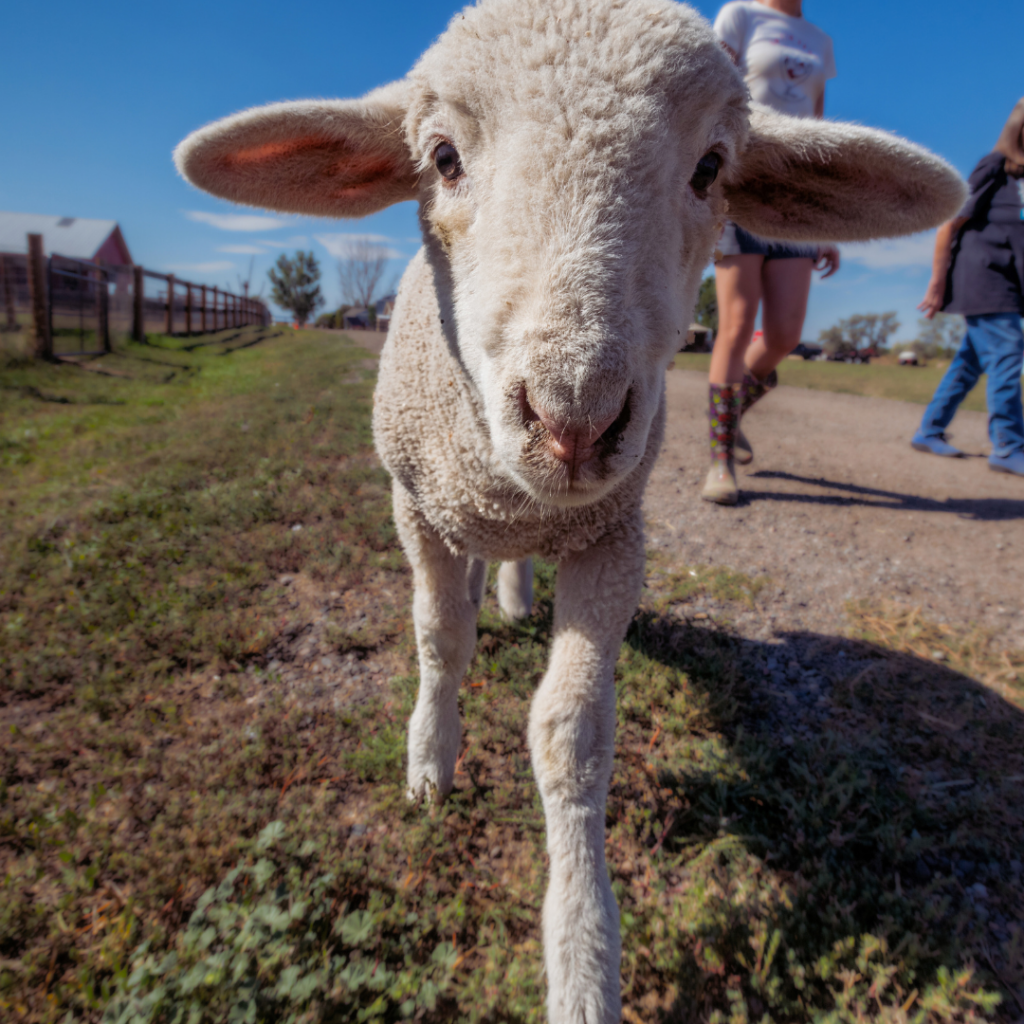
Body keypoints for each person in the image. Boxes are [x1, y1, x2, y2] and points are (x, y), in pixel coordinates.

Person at [703, 0, 840, 505]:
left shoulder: (819, 41)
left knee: (784, 333)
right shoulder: (739, 17)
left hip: (795, 201)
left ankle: (731, 412)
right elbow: (712, 98)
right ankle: (719, 460)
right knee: (737, 325)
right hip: (742, 188)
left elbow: (818, 130)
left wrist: (825, 218)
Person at [911, 98, 1024, 478]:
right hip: (983, 277)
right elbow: (950, 223)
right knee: (1008, 351)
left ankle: (928, 430)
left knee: (968, 363)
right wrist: (937, 284)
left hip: (1010, 283)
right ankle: (1008, 445)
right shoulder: (995, 166)